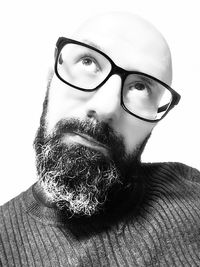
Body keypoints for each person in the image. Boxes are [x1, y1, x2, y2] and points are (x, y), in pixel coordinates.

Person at [1, 12, 200, 267]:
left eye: (140, 87)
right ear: (52, 76)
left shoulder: (192, 193)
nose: (106, 108)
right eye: (87, 62)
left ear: (155, 119)